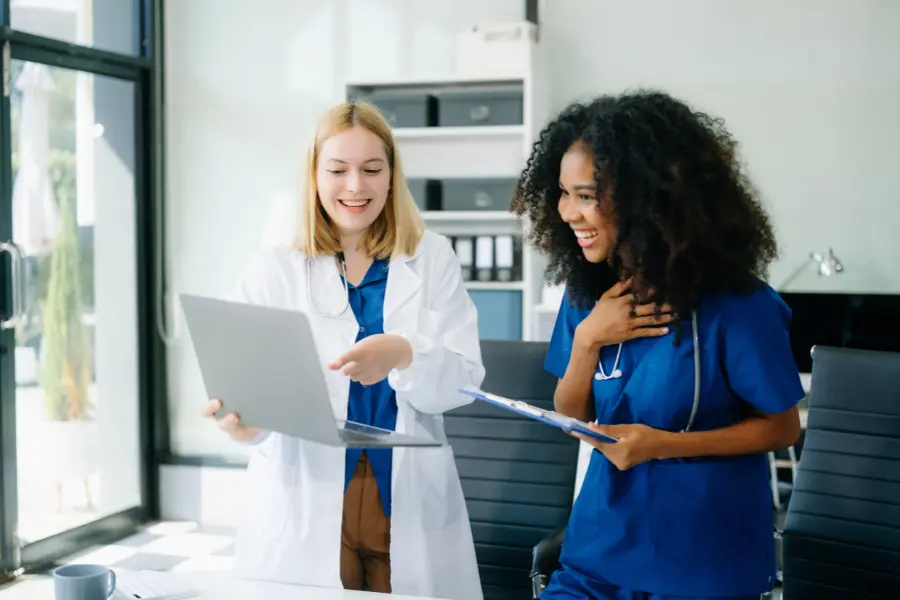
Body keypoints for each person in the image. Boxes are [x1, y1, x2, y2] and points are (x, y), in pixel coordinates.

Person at [511, 91, 804, 600]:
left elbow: (782, 427)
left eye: (585, 195)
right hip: (598, 555)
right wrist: (588, 339)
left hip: (702, 561)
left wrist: (664, 445)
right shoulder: (587, 296)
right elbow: (571, 411)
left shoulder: (739, 306)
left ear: (647, 199)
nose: (567, 212)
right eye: (562, 193)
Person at [202, 101, 484, 600]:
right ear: (314, 175)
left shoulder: (432, 256)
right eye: (337, 170)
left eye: (372, 169)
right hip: (303, 489)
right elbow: (246, 385)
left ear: (392, 177)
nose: (355, 186)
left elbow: (464, 382)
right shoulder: (274, 266)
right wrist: (241, 424)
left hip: (402, 488)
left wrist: (404, 353)